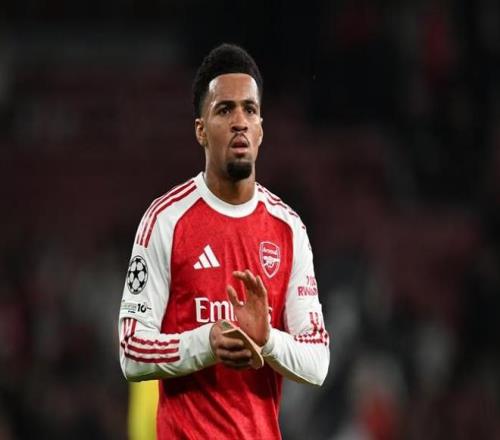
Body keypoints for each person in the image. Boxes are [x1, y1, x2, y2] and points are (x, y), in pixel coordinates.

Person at [118, 43, 330, 439]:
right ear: (201, 130)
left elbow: (317, 361)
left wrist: (267, 341)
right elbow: (131, 350)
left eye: (249, 110)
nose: (239, 122)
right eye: (225, 110)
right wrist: (208, 342)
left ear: (261, 128)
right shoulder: (165, 220)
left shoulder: (288, 228)